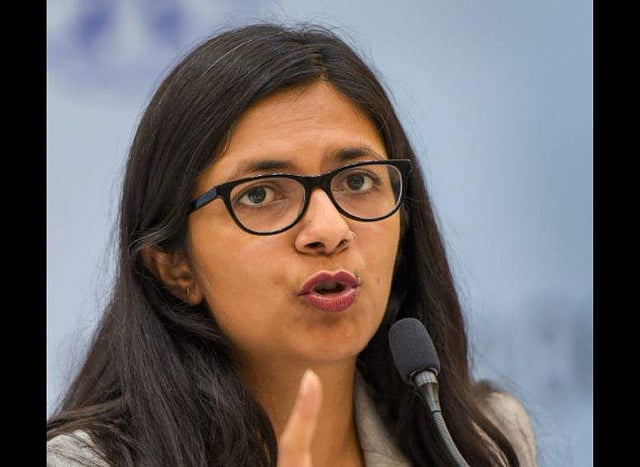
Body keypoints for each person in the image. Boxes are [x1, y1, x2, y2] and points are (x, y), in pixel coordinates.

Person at [46, 22, 537, 466]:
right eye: (260, 194)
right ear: (174, 266)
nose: (329, 229)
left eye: (358, 181)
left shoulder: (481, 442)